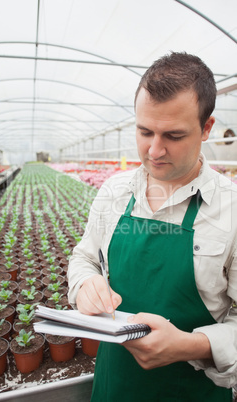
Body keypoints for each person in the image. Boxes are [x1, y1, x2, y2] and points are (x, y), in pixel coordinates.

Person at [68, 52, 237, 401]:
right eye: (145, 131)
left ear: (207, 129)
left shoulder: (230, 209)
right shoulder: (115, 191)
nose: (154, 150)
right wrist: (86, 283)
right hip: (115, 385)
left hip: (191, 390)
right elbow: (84, 257)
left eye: (173, 135)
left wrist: (191, 345)